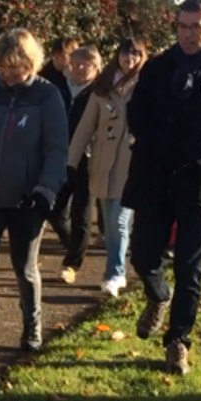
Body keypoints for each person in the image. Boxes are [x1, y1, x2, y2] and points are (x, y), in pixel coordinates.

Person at [123, 0, 201, 375]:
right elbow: (137, 112)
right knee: (144, 255)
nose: (188, 34)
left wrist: (196, 149)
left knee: (190, 267)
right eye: (182, 25)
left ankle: (178, 340)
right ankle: (158, 294)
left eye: (196, 26)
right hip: (155, 174)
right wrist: (155, 142)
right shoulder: (158, 68)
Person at [0, 29, 68, 377]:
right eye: (3, 67)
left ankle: (32, 324)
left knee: (25, 267)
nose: (8, 74)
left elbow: (56, 149)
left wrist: (45, 190)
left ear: (30, 63)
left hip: (26, 200)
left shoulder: (47, 97)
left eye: (16, 67)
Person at [68, 38, 146, 297]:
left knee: (120, 221)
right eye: (126, 52)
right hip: (103, 163)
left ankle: (115, 273)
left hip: (133, 166)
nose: (130, 58)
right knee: (109, 223)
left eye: (136, 54)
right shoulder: (102, 88)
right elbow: (86, 126)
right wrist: (71, 160)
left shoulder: (148, 85)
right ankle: (116, 267)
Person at [57, 46, 102, 285]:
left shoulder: (100, 92)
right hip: (60, 156)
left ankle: (72, 263)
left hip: (88, 157)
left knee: (81, 212)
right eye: (76, 63)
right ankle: (72, 245)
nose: (80, 68)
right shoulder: (59, 89)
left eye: (87, 64)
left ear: (96, 68)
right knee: (54, 208)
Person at [40, 35, 82, 251]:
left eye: (66, 55)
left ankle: (76, 248)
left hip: (81, 147)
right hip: (54, 147)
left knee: (79, 207)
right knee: (56, 205)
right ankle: (72, 245)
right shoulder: (45, 79)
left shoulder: (79, 80)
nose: (62, 60)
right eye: (58, 55)